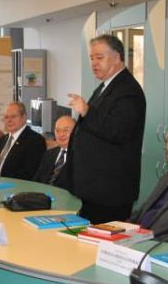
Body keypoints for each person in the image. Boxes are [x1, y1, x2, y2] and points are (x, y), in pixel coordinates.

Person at [59, 34, 146, 223]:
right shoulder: (105, 87)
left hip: (109, 192)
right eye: (91, 58)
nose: (94, 63)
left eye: (99, 57)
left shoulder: (128, 91)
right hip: (92, 188)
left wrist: (87, 111)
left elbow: (117, 131)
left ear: (116, 57)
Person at [0, 101, 45, 180]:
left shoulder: (35, 140)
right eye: (6, 117)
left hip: (16, 185)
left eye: (13, 117)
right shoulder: (1, 140)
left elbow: (30, 173)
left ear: (24, 117)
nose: (9, 120)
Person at [34, 115, 76, 185]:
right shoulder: (48, 154)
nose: (61, 134)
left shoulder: (81, 157)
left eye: (65, 130)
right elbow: (37, 180)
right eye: (57, 130)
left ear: (76, 131)